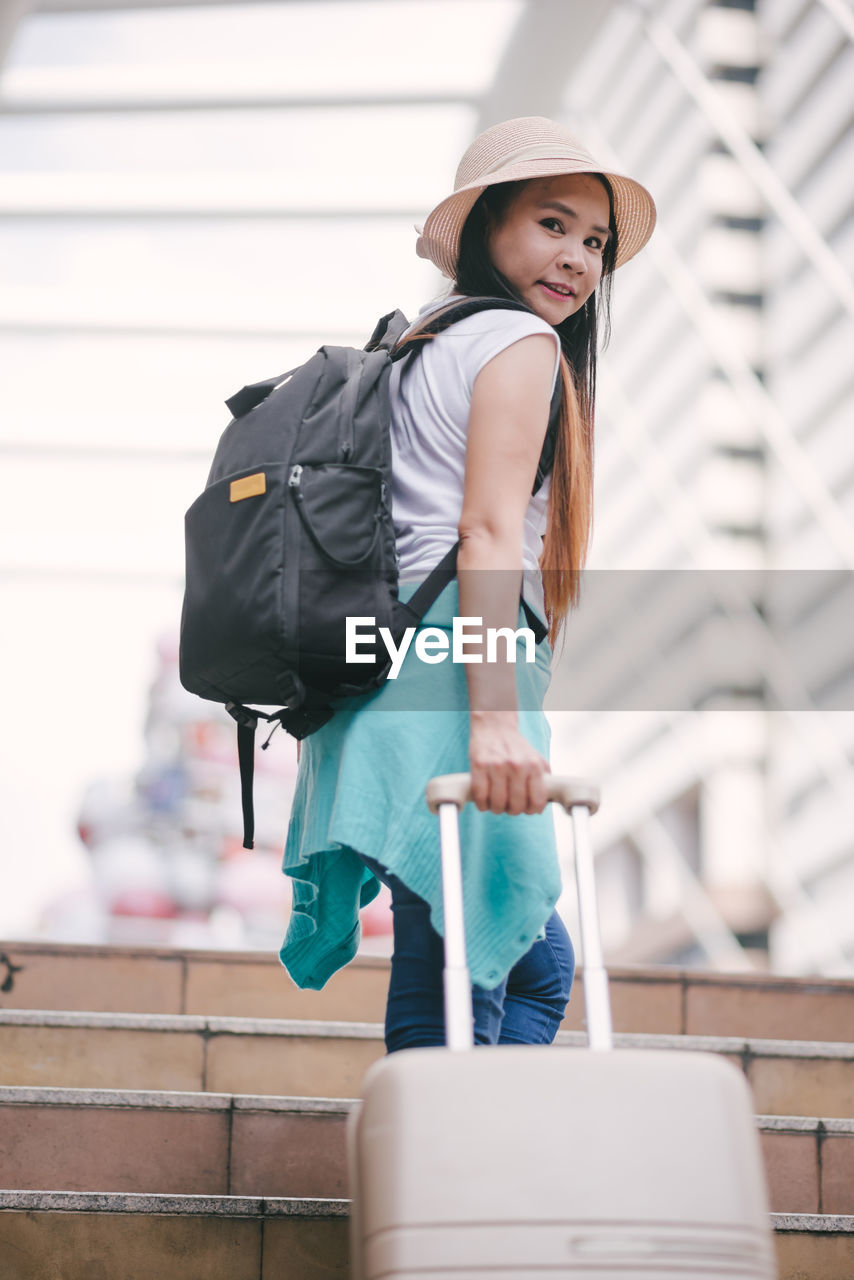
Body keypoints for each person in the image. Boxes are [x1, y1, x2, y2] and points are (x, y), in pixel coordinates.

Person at [279, 116, 656, 1052]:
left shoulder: (426, 340)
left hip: (393, 664)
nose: (577, 258)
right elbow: (486, 532)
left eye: (596, 242)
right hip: (450, 677)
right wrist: (493, 720)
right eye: (552, 224)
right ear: (487, 225)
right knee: (468, 969)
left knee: (502, 959)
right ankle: (452, 1182)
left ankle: (459, 1167)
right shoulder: (519, 343)